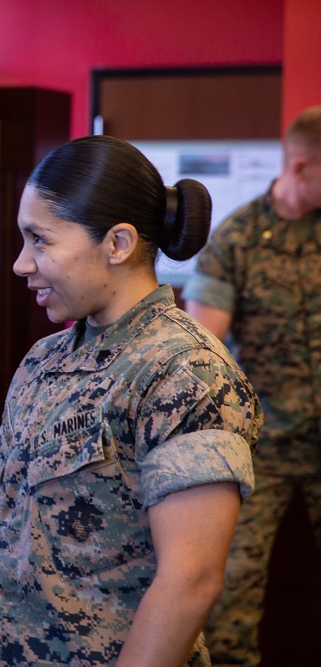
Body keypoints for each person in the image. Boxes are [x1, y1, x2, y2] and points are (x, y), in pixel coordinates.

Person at [0, 135, 262, 665]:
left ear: (118, 244)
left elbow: (189, 582)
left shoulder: (186, 373)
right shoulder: (45, 359)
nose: (20, 263)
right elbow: (3, 524)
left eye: (40, 240)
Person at [182, 105, 321, 666]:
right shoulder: (236, 239)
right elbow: (201, 350)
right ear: (302, 166)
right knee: (231, 590)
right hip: (266, 449)